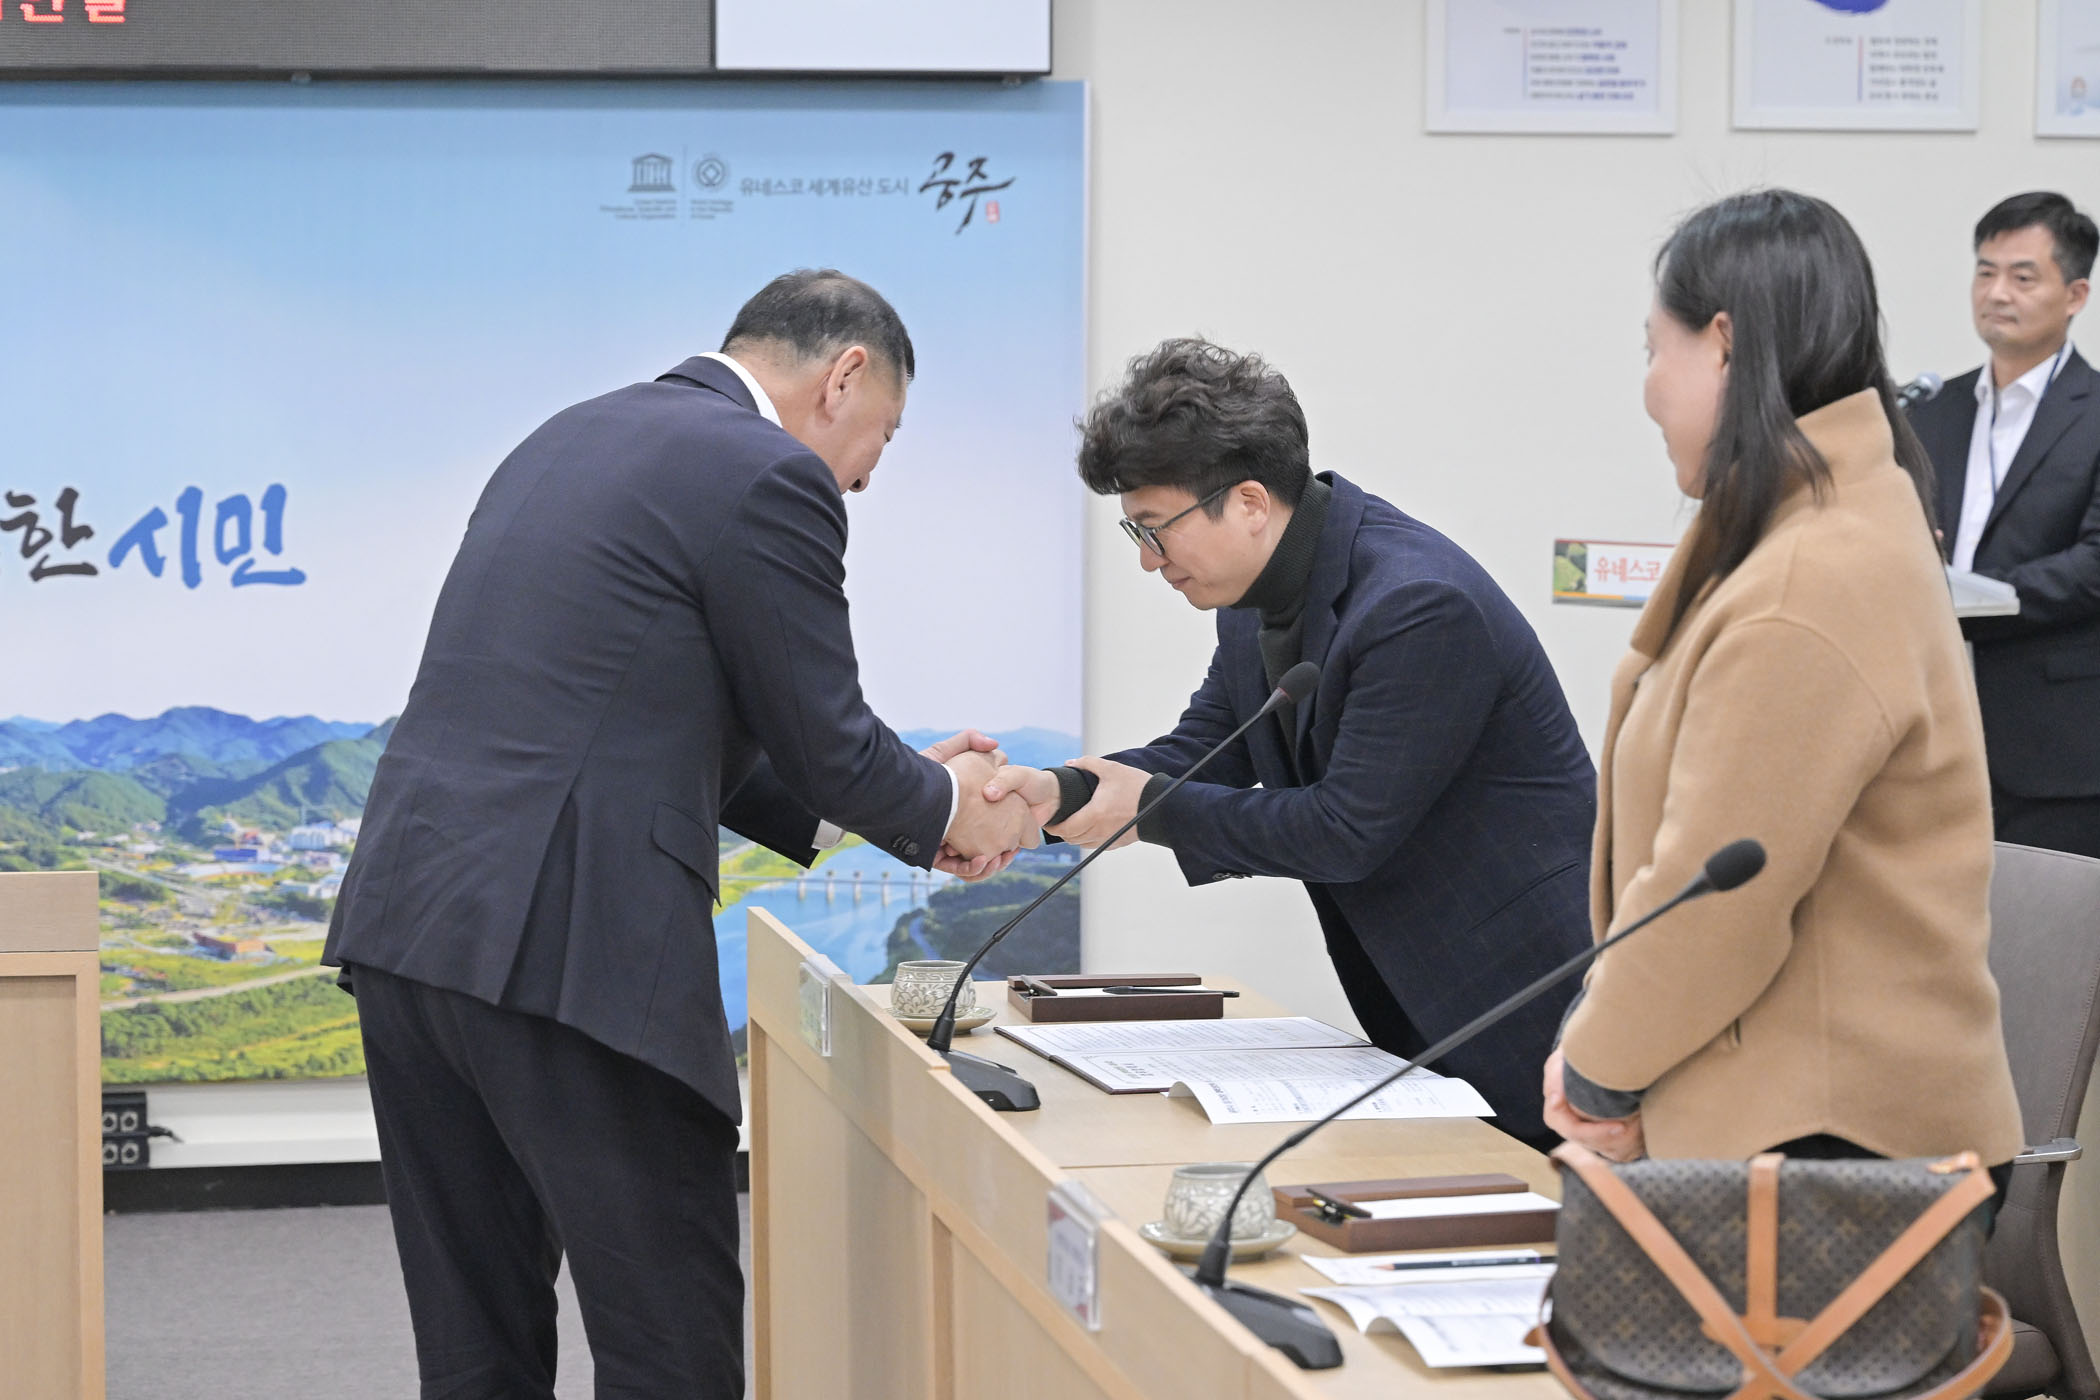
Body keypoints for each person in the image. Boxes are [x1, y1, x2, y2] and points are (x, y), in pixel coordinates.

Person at [322, 269, 1038, 1399]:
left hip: (411, 927)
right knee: (671, 1345)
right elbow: (826, 736)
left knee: (475, 1347)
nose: (865, 475)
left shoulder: (567, 437)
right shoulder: (767, 472)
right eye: (884, 436)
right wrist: (950, 806)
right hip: (569, 948)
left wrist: (906, 787)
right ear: (844, 376)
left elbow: (640, 712)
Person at [989, 337, 1597, 1145]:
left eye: (1155, 530)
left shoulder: (1418, 606)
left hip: (1531, 1005)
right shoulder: (1259, 596)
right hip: (1416, 1002)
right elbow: (1209, 748)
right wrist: (1059, 792)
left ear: (1248, 502)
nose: (1148, 562)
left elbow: (1346, 830)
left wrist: (1153, 809)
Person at [1545, 191, 2025, 1177]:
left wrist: (1597, 1072)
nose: (1648, 389)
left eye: (1654, 349)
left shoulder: (1808, 576)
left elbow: (1716, 894)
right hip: (1797, 1125)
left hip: (1830, 1155)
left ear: (1723, 344)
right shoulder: (1819, 522)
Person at [1908, 191, 2100, 860]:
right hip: (1930, 732)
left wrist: (1977, 596)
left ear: (2075, 295)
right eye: (1985, 272)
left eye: (2023, 276)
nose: (1996, 293)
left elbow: (2094, 567)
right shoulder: (1930, 407)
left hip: (2055, 747)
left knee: (2048, 923)